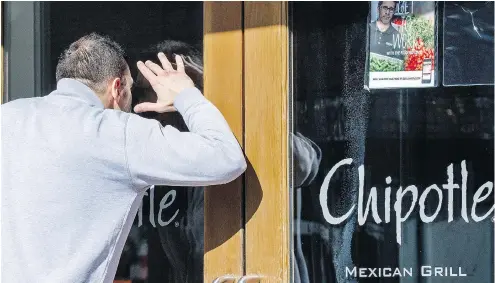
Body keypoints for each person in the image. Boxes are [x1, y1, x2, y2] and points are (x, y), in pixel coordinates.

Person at [1, 33, 247, 283]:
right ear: (117, 88)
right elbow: (226, 158)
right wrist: (186, 95)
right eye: (134, 90)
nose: (137, 104)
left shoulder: (7, 117)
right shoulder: (116, 132)